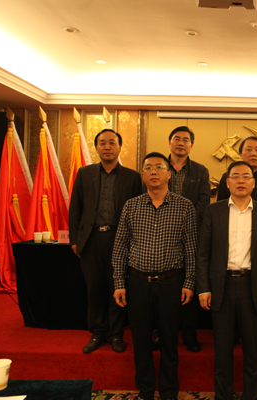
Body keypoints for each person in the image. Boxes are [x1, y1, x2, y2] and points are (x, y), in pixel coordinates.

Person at [112, 152, 197, 400]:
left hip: (171, 283)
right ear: (142, 174)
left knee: (170, 341)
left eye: (159, 167)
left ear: (169, 174)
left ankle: (169, 392)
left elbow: (191, 249)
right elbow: (120, 247)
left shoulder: (184, 206)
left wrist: (190, 282)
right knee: (141, 342)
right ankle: (146, 391)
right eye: (148, 168)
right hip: (137, 283)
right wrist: (119, 283)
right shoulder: (131, 206)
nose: (153, 172)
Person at [197, 161, 257, 400]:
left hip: (252, 286)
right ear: (227, 182)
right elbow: (203, 253)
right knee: (222, 351)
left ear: (253, 183)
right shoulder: (213, 211)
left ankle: (251, 396)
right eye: (235, 176)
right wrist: (203, 288)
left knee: (253, 350)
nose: (241, 180)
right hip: (220, 287)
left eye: (246, 176)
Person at [69, 128, 142, 354]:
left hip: (119, 239)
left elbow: (137, 211)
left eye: (112, 142)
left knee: (117, 286)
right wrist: (75, 240)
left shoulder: (132, 177)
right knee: (95, 288)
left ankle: (116, 333)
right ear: (96, 147)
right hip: (91, 239)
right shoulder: (84, 173)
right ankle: (97, 332)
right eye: (102, 143)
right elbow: (75, 207)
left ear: (120, 147)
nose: (107, 147)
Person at [216, 135, 257, 351]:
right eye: (249, 149)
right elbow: (221, 211)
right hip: (233, 245)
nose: (253, 153)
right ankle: (234, 335)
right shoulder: (228, 178)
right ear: (240, 153)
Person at [167, 125, 211, 353]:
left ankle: (189, 334)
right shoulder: (158, 167)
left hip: (191, 236)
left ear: (191, 145)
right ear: (170, 143)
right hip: (161, 236)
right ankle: (163, 333)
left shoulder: (201, 171)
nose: (181, 143)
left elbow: (203, 203)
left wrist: (184, 223)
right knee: (165, 288)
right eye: (177, 139)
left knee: (190, 284)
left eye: (186, 140)